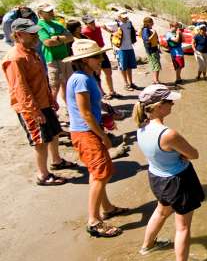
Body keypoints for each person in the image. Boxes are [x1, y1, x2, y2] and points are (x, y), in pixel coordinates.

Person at [134, 84, 205, 261]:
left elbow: (160, 153)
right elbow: (194, 154)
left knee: (161, 211)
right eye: (168, 101)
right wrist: (184, 156)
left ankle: (147, 246)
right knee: (182, 227)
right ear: (157, 106)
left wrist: (179, 154)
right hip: (178, 181)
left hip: (157, 177)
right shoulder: (168, 133)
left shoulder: (141, 127)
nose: (172, 103)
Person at [64, 39, 130, 238]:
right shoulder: (81, 79)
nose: (101, 59)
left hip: (88, 130)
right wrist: (103, 136)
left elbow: (93, 104)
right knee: (102, 173)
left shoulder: (89, 76)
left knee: (98, 172)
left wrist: (108, 111)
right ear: (85, 60)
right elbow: (85, 113)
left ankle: (107, 208)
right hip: (85, 132)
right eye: (97, 56)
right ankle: (93, 221)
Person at [2, 18, 73, 186]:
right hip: (31, 108)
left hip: (43, 102)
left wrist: (50, 99)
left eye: (36, 33)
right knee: (40, 141)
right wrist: (34, 111)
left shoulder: (31, 52)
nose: (36, 36)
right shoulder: (15, 58)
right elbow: (21, 89)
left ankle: (56, 161)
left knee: (55, 132)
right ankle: (43, 175)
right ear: (19, 35)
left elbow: (40, 79)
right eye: (32, 33)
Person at [36, 4, 73, 107]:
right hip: (52, 59)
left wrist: (56, 38)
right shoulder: (39, 25)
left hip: (65, 58)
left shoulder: (57, 23)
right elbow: (47, 42)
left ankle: (68, 107)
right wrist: (62, 38)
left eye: (52, 11)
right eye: (48, 12)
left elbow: (70, 37)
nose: (52, 13)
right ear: (40, 14)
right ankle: (52, 109)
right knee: (54, 86)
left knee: (67, 84)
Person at [81, 14, 119, 99]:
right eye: (90, 23)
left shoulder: (98, 28)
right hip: (93, 54)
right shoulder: (84, 32)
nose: (92, 23)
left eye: (93, 21)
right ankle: (101, 93)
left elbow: (105, 28)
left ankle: (112, 91)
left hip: (101, 51)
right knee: (97, 74)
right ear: (86, 24)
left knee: (108, 72)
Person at [112, 11, 138, 91]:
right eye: (123, 17)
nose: (125, 18)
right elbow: (106, 28)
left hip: (129, 47)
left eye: (126, 16)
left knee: (130, 66)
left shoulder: (129, 23)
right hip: (120, 49)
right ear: (119, 17)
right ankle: (125, 84)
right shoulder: (116, 24)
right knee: (123, 67)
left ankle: (131, 83)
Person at [140, 16, 161, 84]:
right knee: (156, 65)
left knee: (154, 64)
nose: (153, 23)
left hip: (153, 49)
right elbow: (147, 40)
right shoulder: (146, 30)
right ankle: (156, 80)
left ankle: (155, 80)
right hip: (152, 50)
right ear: (148, 23)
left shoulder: (147, 29)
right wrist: (154, 33)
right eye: (151, 22)